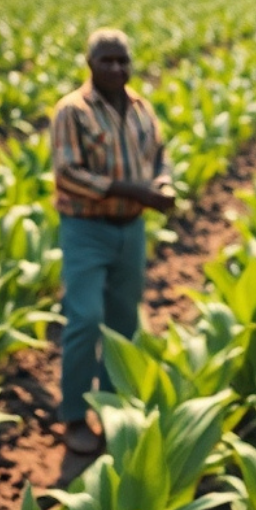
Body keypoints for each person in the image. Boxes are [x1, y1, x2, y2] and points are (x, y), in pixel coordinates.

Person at [50, 28, 177, 454]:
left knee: (123, 323)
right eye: (107, 60)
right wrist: (134, 191)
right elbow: (68, 173)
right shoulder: (72, 111)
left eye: (123, 60)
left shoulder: (141, 107)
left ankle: (109, 407)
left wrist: (162, 183)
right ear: (90, 64)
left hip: (131, 229)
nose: (117, 68)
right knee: (85, 318)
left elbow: (159, 154)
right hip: (86, 229)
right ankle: (73, 415)